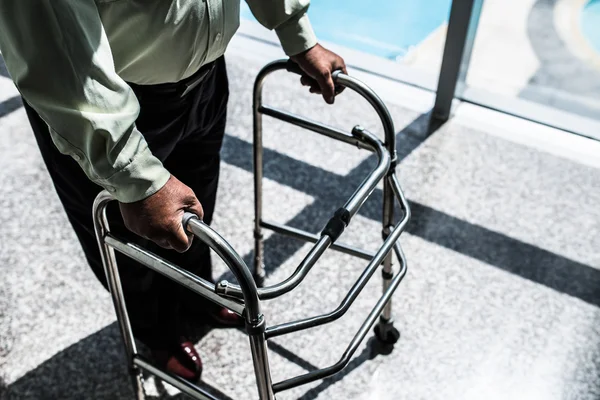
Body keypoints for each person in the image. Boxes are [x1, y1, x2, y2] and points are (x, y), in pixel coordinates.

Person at [0, 0, 346, 381]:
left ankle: (197, 296)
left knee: (196, 207)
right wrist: (133, 173)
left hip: (207, 77)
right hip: (110, 108)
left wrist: (297, 32)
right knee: (127, 242)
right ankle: (158, 335)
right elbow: (55, 47)